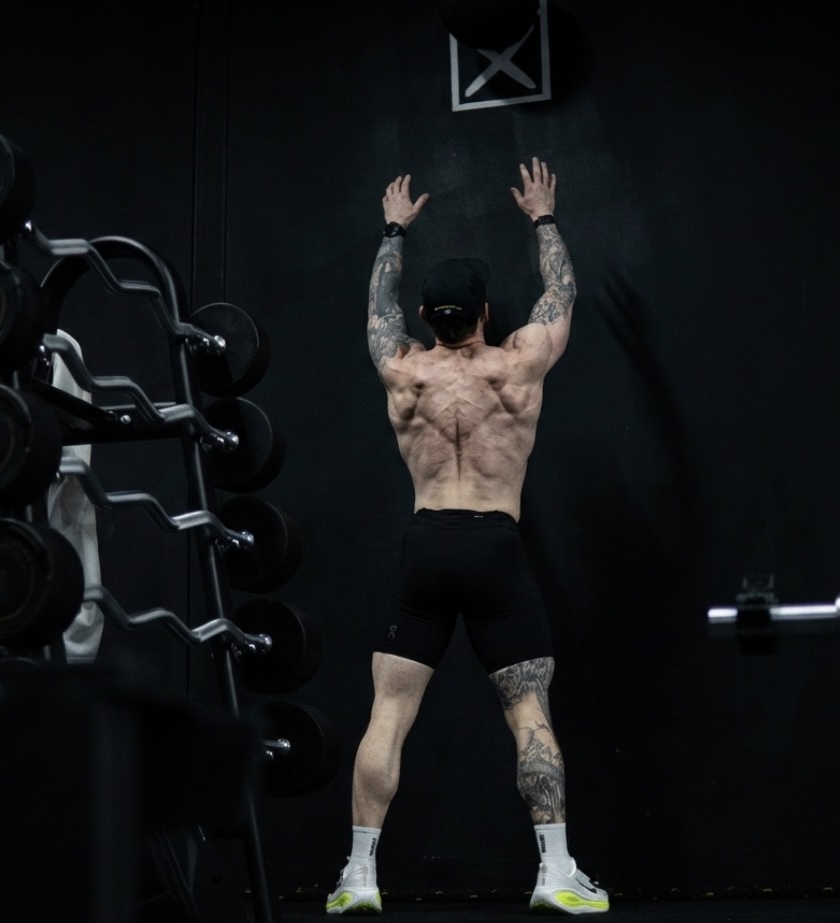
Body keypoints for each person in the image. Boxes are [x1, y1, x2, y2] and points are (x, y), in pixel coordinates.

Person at [327, 158, 608, 916]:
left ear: (426, 316)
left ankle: (358, 875)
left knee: (388, 714)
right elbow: (561, 293)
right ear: (486, 312)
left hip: (426, 545)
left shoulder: (403, 371)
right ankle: (555, 872)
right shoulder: (518, 364)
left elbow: (376, 308)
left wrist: (392, 231)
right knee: (529, 713)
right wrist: (543, 217)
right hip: (495, 548)